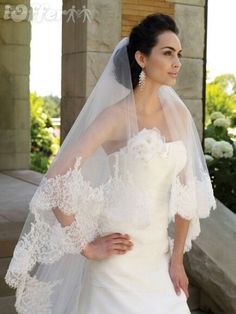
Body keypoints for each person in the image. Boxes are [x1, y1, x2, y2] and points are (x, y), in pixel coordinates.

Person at [5, 13, 216, 314]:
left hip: (158, 258)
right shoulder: (114, 117)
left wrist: (177, 259)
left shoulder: (179, 115)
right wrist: (86, 246)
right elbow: (55, 179)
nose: (177, 62)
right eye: (167, 53)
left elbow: (186, 196)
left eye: (178, 54)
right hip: (117, 260)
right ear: (142, 58)